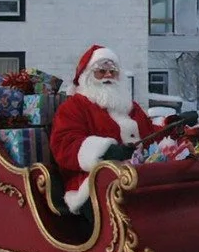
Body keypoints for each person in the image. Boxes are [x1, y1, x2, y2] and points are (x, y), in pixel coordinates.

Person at [50, 45, 161, 216]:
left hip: (139, 176)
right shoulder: (74, 107)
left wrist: (179, 128)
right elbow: (64, 143)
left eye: (113, 71)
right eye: (101, 71)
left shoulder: (130, 106)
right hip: (93, 181)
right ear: (88, 76)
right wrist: (105, 151)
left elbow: (151, 133)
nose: (108, 75)